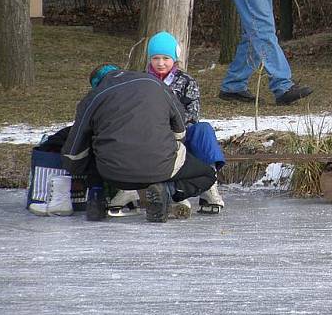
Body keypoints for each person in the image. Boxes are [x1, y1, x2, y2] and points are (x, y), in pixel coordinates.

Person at [62, 64, 217, 223]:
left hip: (114, 175)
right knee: (207, 175)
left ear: (96, 83)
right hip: (162, 167)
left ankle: (97, 195)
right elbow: (180, 128)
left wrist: (76, 171)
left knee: (93, 151)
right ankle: (167, 191)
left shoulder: (92, 98)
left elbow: (75, 150)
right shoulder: (154, 83)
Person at [107, 31, 227, 216]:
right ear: (149, 59)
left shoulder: (187, 82)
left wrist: (173, 128)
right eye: (156, 58)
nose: (161, 63)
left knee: (203, 130)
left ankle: (209, 187)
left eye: (165, 58)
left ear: (175, 59)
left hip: (180, 134)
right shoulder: (140, 80)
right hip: (148, 137)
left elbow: (192, 114)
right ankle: (128, 188)